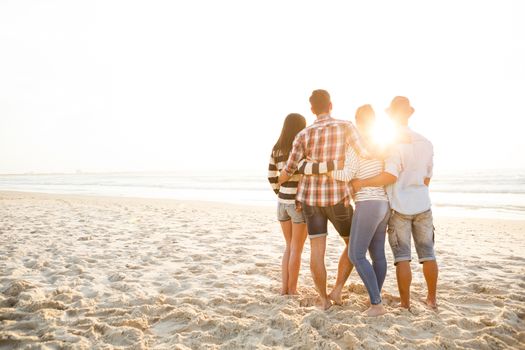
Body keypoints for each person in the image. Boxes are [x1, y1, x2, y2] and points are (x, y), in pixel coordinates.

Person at [279, 90, 376, 310]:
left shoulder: (303, 135)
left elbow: (290, 168)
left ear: (312, 109)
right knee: (354, 245)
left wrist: (280, 182)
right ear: (330, 105)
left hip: (311, 201)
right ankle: (338, 288)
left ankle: (324, 300)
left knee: (316, 250)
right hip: (338, 198)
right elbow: (365, 152)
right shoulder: (346, 127)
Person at [351, 96, 438, 309]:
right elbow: (427, 178)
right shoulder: (426, 143)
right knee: (428, 254)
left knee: (403, 258)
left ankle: (406, 304)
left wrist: (362, 182)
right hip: (423, 204)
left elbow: (390, 175)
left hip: (399, 206)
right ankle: (432, 300)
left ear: (390, 115)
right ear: (409, 114)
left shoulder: (392, 143)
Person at [267, 113, 338, 295]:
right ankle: (293, 289)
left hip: (282, 203)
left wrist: (281, 193)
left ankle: (284, 289)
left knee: (289, 247)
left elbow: (271, 177)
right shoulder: (301, 148)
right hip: (298, 204)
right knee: (296, 249)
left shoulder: (276, 149)